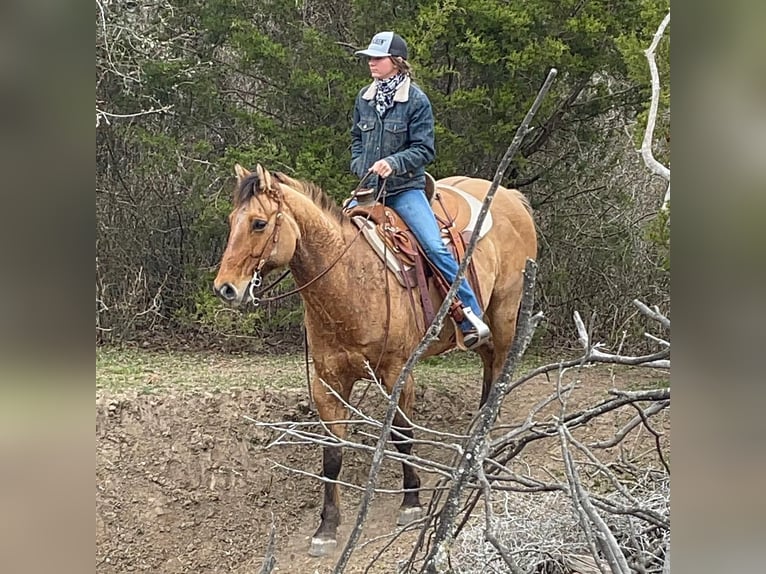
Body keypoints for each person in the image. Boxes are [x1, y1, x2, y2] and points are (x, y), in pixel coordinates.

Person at [350, 31, 491, 349]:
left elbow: (424, 149)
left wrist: (394, 163)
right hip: (368, 192)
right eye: (370, 58)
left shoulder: (416, 101)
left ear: (396, 63)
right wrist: (361, 165)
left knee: (435, 247)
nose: (371, 62)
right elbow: (356, 140)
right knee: (332, 239)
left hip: (405, 190)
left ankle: (469, 314)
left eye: (377, 58)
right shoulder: (364, 98)